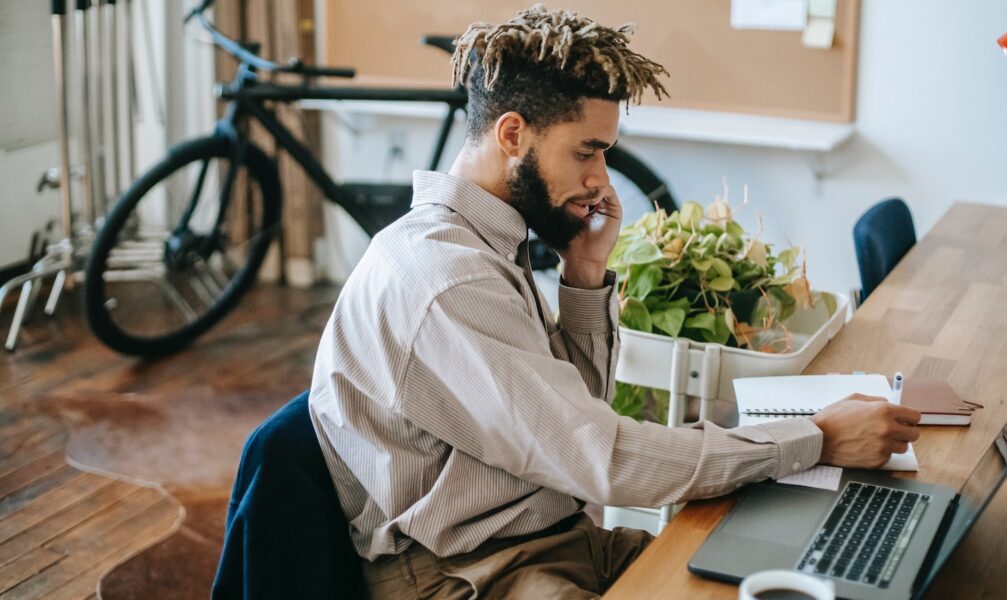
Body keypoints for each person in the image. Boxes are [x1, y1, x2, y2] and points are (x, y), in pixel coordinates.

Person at [308, 6, 922, 599]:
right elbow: (603, 458)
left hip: (550, 536)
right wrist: (813, 439)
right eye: (586, 151)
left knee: (788, 563)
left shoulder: (485, 243)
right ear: (513, 134)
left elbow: (577, 417)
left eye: (603, 152)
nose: (601, 177)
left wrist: (584, 275)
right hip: (469, 574)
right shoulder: (448, 280)